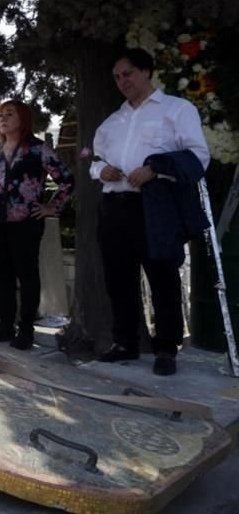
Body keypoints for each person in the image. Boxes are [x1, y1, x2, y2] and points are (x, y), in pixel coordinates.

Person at [91, 48, 209, 376]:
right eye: (117, 77)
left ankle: (167, 348)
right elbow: (95, 160)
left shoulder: (176, 109)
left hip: (155, 205)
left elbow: (198, 156)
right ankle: (125, 341)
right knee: (118, 278)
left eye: (127, 73)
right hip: (114, 206)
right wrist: (101, 171)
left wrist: (156, 168)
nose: (122, 81)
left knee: (162, 275)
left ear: (146, 71)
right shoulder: (112, 122)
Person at [0, 101, 74, 349]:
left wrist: (51, 207)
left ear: (23, 118)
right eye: (0, 115)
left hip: (25, 223)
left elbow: (66, 180)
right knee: (1, 277)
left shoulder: (38, 150)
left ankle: (26, 330)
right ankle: (5, 325)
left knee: (27, 275)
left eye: (9, 114)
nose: (3, 119)